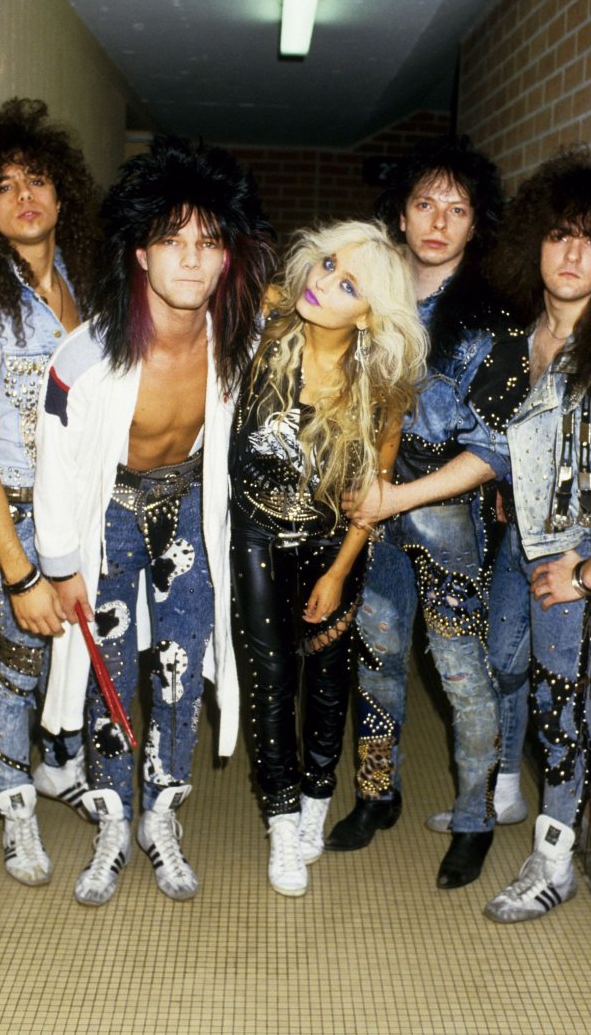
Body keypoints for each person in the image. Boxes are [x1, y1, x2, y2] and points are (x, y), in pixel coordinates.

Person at [348, 144, 591, 921]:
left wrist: (587, 573)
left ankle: (553, 861)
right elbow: (504, 444)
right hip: (515, 544)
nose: (571, 254)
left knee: (562, 705)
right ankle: (500, 795)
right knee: (500, 667)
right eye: (560, 234)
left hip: (574, 554)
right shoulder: (522, 337)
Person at [33, 136, 276, 905]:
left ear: (228, 256)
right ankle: (112, 816)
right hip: (106, 514)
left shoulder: (241, 342)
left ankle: (160, 813)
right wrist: (60, 563)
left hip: (188, 510)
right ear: (140, 253)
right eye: (173, 241)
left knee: (180, 664)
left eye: (209, 242)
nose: (192, 259)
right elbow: (55, 466)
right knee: (105, 669)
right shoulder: (84, 357)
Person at [325, 136, 529, 892]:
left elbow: (493, 452)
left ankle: (475, 816)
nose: (439, 221)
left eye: (457, 208)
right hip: (368, 514)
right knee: (376, 662)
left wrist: (400, 497)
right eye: (425, 204)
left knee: (462, 673)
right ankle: (376, 795)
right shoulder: (363, 300)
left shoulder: (496, 322)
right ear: (401, 215)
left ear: (477, 223)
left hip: (445, 516)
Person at [229, 219, 428, 897]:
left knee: (326, 676)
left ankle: (317, 795)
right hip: (256, 534)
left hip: (331, 543)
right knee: (269, 678)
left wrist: (341, 569)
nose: (324, 284)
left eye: (349, 285)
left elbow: (374, 494)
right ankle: (282, 820)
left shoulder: (382, 386)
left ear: (370, 312)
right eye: (326, 265)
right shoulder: (262, 338)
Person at [0, 97, 98, 885]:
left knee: (79, 654)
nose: (24, 196)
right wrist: (20, 573)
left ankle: (59, 765)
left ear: (62, 193)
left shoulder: (80, 290)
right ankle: (14, 813)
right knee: (16, 668)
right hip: (20, 516)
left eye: (35, 179)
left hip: (85, 508)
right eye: (2, 186)